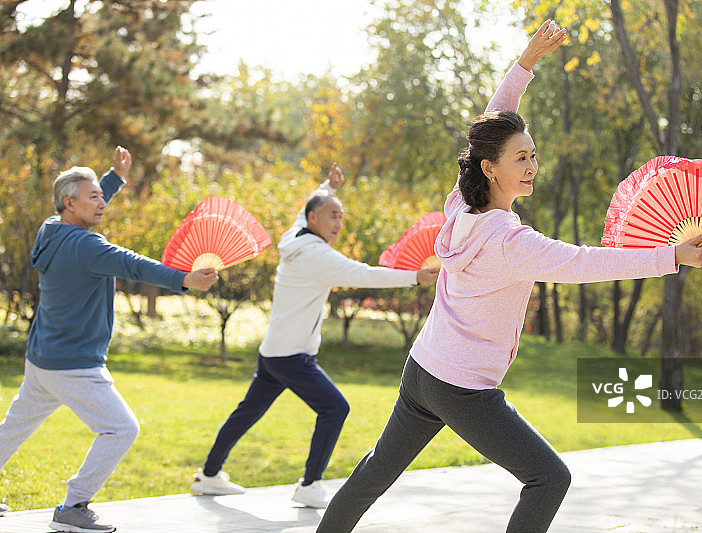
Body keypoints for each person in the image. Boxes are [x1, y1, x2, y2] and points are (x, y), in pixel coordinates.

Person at [316, 19, 702, 533]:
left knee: (373, 475)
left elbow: (492, 120)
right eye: (521, 158)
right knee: (549, 477)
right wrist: (670, 256)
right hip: (460, 385)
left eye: (533, 156)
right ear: (489, 167)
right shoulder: (509, 241)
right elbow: (583, 262)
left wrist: (526, 63)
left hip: (423, 370)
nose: (531, 166)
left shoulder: (460, 205)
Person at [191, 163, 439, 508]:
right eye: (333, 216)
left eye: (341, 217)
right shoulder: (317, 254)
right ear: (314, 219)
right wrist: (415, 276)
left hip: (275, 350)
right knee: (335, 408)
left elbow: (302, 211)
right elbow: (363, 274)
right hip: (291, 355)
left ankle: (209, 475)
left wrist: (329, 187)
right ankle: (309, 485)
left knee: (247, 412)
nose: (339, 224)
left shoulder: (294, 237)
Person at [0, 147, 218, 533]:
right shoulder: (88, 247)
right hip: (74, 364)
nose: (101, 202)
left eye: (102, 195)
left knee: (13, 428)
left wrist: (113, 178)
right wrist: (185, 278)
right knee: (121, 428)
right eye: (94, 197)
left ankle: (74, 503)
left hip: (42, 357)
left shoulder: (50, 229)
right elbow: (132, 263)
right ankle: (74, 504)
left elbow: (85, 203)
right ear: (70, 203)